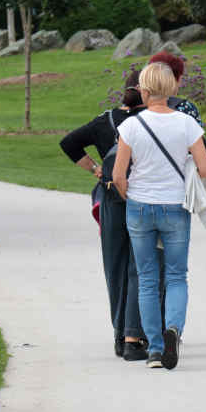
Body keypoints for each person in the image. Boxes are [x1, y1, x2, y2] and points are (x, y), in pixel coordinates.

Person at [112, 62, 206, 370]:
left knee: (146, 279)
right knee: (176, 275)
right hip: (174, 207)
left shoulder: (130, 127)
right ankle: (174, 330)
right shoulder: (186, 124)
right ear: (173, 88)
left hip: (140, 205)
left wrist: (130, 196)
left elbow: (118, 175)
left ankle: (155, 348)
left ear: (143, 90)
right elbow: (205, 169)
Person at [59, 68, 147, 361]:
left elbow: (69, 143)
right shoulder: (152, 120)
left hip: (110, 198)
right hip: (142, 198)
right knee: (139, 266)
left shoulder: (104, 121)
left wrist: (96, 169)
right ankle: (135, 334)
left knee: (114, 266)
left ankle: (118, 334)